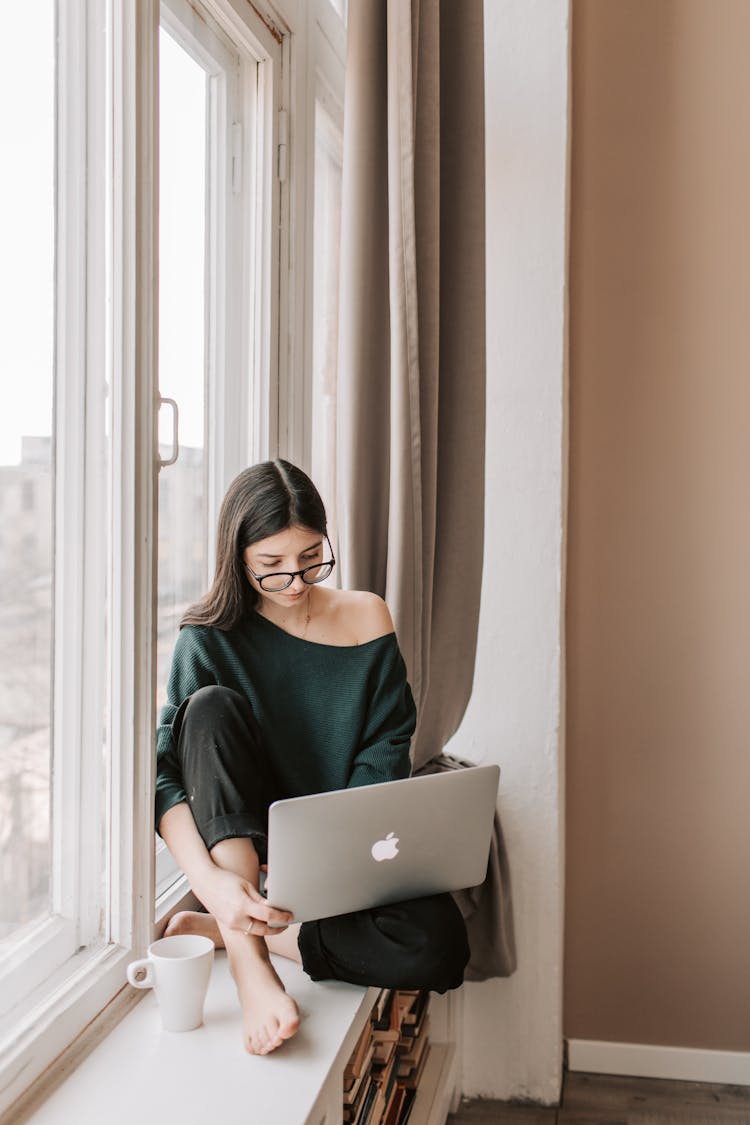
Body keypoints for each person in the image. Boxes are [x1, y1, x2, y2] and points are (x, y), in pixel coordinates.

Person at [156, 459, 469, 1056]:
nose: (295, 582)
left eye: (310, 558)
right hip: (243, 854)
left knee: (440, 946)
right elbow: (167, 773)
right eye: (271, 566)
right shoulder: (207, 636)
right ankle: (249, 958)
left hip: (339, 853)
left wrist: (340, 865)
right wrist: (214, 885)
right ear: (237, 555)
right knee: (208, 708)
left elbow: (386, 745)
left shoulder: (366, 615)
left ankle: (244, 934)